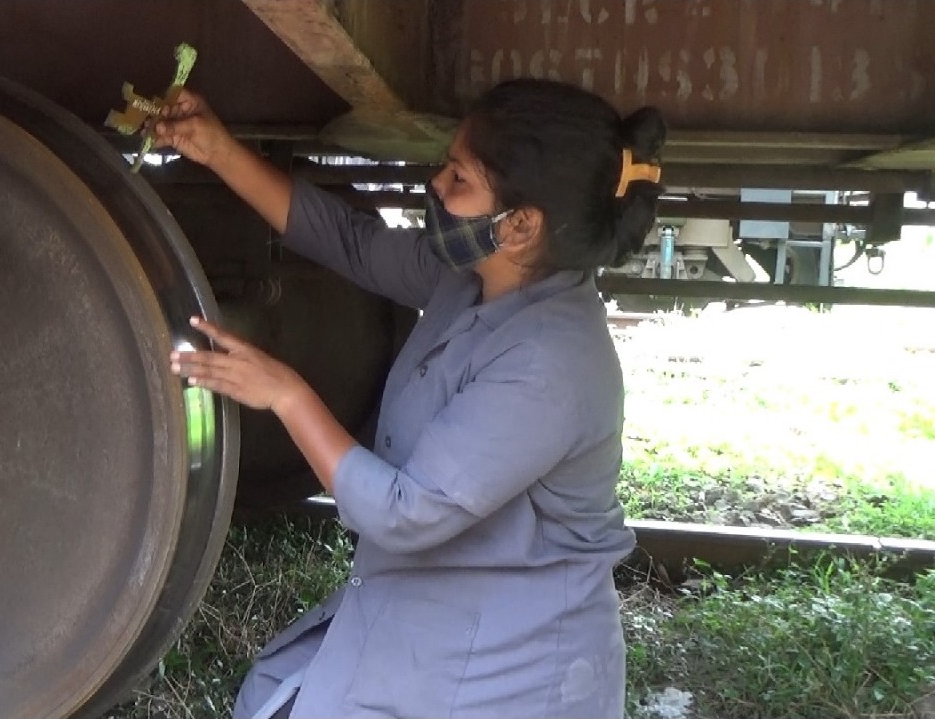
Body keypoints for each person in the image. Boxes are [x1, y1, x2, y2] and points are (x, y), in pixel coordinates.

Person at [154, 78, 665, 719]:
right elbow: (353, 244)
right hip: (438, 613)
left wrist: (286, 393)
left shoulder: (549, 365)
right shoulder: (474, 282)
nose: (435, 188)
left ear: (521, 226)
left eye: (458, 179)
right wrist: (218, 149)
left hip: (510, 668)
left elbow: (405, 512)